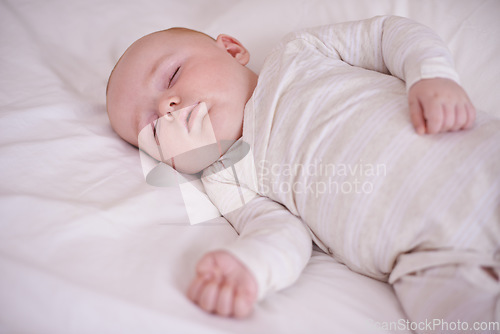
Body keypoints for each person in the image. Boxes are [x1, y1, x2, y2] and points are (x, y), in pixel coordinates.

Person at [106, 15, 500, 331]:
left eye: (172, 75)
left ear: (231, 49)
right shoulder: (226, 179)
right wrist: (250, 268)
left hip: (473, 161)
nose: (169, 106)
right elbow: (280, 234)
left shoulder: (297, 54)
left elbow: (386, 34)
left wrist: (431, 75)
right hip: (427, 263)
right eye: (154, 128)